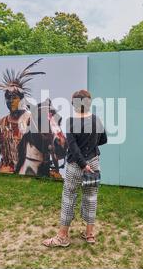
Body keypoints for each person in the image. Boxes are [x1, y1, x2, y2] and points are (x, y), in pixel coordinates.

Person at [43, 89, 107, 247]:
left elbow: (73, 148)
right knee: (91, 197)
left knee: (68, 198)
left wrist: (83, 164)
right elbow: (103, 140)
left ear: (75, 104)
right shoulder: (96, 120)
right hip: (93, 164)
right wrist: (89, 150)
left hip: (75, 166)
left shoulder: (70, 121)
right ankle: (90, 234)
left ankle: (62, 237)